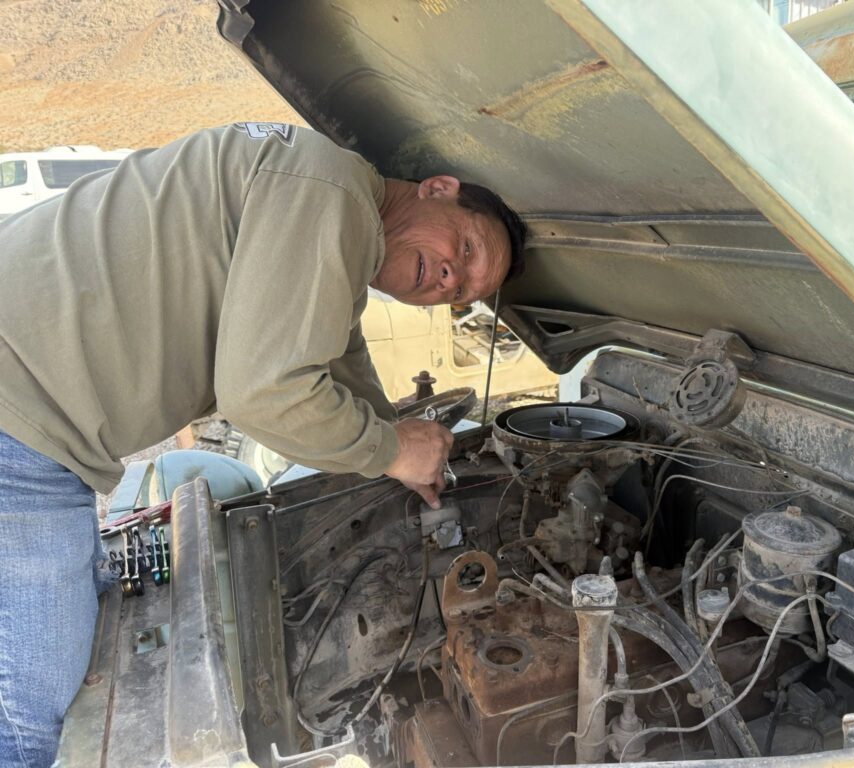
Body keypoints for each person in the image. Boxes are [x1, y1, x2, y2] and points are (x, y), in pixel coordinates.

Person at [0, 122, 526, 767]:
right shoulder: (330, 191)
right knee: (22, 726)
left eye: (462, 293)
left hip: (34, 420)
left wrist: (392, 436)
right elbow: (266, 394)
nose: (449, 279)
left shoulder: (323, 198)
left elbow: (339, 358)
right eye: (466, 249)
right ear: (438, 189)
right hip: (19, 418)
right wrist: (391, 450)